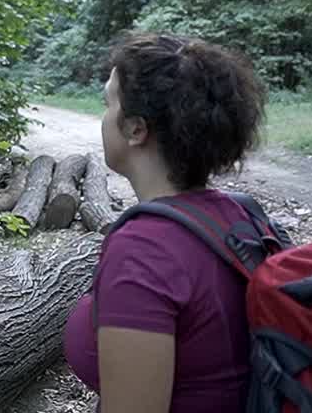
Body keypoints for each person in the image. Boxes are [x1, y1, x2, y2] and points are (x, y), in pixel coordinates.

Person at [63, 32, 267, 412]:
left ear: (136, 129)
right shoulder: (240, 215)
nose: (104, 118)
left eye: (108, 104)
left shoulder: (143, 252)